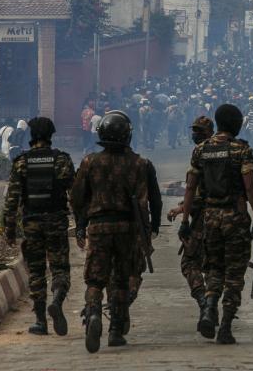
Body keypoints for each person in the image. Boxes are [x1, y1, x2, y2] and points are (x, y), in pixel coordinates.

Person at [179, 104, 253, 345]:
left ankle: (208, 309)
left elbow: (190, 187)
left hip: (209, 219)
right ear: (236, 124)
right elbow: (250, 187)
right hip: (235, 219)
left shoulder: (201, 150)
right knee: (234, 273)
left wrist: (185, 220)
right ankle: (225, 326)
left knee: (214, 269)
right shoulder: (241, 149)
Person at [71, 111, 157, 353]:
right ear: (128, 135)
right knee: (120, 279)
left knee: (95, 278)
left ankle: (94, 312)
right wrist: (147, 233)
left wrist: (80, 224)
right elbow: (144, 203)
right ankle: (116, 331)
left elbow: (77, 198)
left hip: (98, 227)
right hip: (128, 229)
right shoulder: (139, 163)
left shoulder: (90, 162)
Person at [2, 117, 75, 337]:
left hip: (32, 223)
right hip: (56, 221)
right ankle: (58, 299)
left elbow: (12, 199)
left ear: (31, 135)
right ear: (51, 135)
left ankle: (40, 321)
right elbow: (75, 194)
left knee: (36, 270)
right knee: (60, 267)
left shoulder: (22, 162)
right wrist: (81, 224)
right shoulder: (62, 160)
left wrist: (9, 229)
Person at [167, 116, 214, 326]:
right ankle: (212, 305)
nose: (195, 134)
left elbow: (193, 193)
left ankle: (205, 302)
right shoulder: (231, 153)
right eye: (194, 130)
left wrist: (183, 215)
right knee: (215, 267)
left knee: (189, 263)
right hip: (226, 219)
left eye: (199, 131)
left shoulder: (200, 155)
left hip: (203, 221)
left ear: (208, 133)